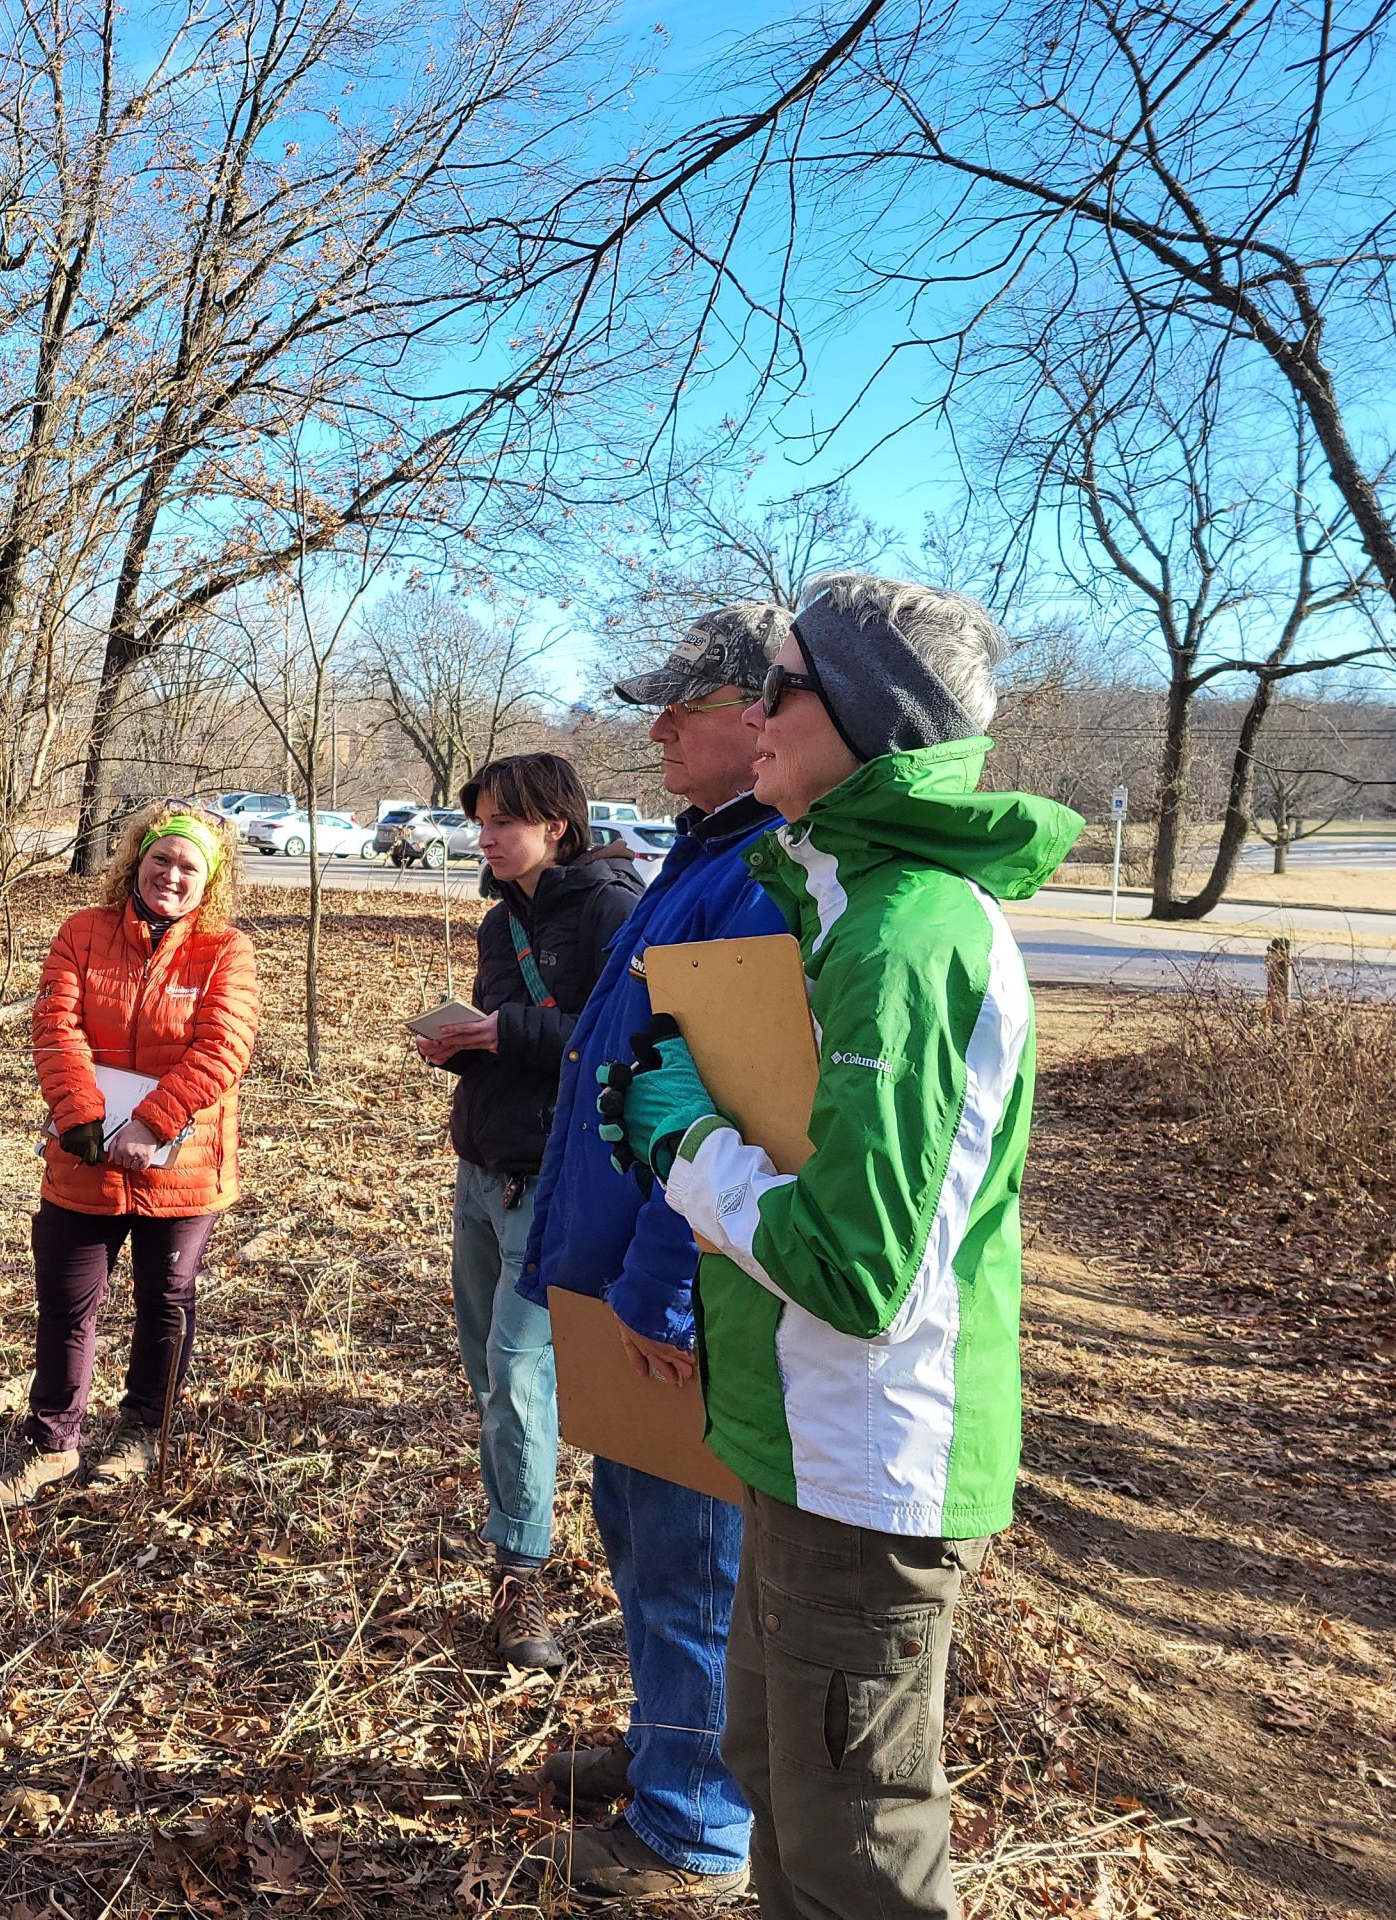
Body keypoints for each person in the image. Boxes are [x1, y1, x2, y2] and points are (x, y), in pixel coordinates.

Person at [597, 574, 1081, 1920]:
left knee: (853, 1851)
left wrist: (685, 1144)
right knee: (779, 1778)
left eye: (784, 688)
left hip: (868, 1467)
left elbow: (863, 1275)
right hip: (799, 1448)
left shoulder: (909, 934)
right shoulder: (836, 900)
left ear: (872, 722)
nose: (751, 712)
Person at [512, 607, 793, 1900]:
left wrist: (664, 1300)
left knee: (691, 1560)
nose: (658, 727)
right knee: (640, 1536)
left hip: (669, 1289)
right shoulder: (702, 853)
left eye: (689, 705)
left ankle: (692, 1830)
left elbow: (734, 1104)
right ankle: (663, 1749)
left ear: (763, 715)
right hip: (621, 1266)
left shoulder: (762, 874)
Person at [414, 752, 644, 1670]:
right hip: (483, 1169)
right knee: (490, 1376)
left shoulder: (610, 909)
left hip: (553, 1183)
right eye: (479, 822)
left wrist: (504, 1032)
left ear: (557, 822)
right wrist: (467, 1048)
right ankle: (521, 1534)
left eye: (502, 821)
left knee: (517, 1374)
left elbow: (625, 1039)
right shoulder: (497, 919)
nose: (486, 836)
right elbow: (513, 1038)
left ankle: (523, 1580)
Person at [0, 801, 260, 1510]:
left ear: (210, 880)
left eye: (189, 867)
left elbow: (223, 1049)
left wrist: (152, 1124)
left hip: (183, 1166)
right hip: (84, 1156)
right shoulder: (83, 932)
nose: (171, 875)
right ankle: (52, 1442)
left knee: (167, 1301)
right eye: (160, 859)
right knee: (67, 1302)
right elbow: (56, 1026)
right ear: (135, 861)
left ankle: (142, 1431)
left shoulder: (226, 951)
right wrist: (85, 1120)